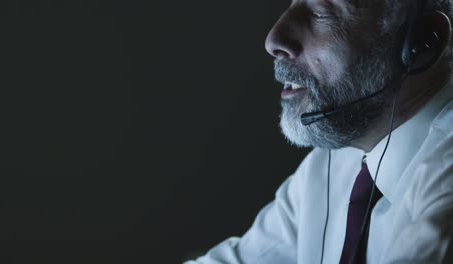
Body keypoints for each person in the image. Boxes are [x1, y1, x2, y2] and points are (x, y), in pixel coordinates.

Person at [185, 0, 453, 263]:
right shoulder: (329, 165)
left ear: (422, 42)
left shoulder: (444, 177)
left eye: (321, 12)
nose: (273, 39)